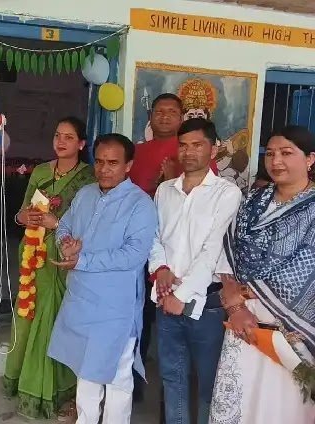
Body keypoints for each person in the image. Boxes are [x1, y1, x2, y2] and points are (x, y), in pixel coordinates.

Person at [47, 133, 158, 424]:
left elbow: (134, 255)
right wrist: (66, 242)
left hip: (115, 307)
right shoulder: (86, 194)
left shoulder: (140, 204)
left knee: (117, 376)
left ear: (128, 165)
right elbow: (64, 226)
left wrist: (82, 260)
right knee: (86, 370)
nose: (104, 169)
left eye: (112, 163)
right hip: (81, 299)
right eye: (99, 162)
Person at [209, 125, 315, 424]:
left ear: (310, 159)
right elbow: (228, 253)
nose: (276, 161)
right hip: (243, 323)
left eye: (286, 153)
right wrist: (235, 306)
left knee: (281, 405)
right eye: (270, 154)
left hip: (292, 328)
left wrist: (244, 295)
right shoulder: (253, 202)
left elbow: (306, 268)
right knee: (242, 398)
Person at [149, 118, 242, 424]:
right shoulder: (165, 190)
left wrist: (182, 295)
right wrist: (160, 269)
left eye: (197, 145)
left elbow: (213, 250)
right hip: (166, 298)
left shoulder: (227, 193)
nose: (188, 152)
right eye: (183, 145)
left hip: (207, 303)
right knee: (172, 378)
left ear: (213, 149)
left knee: (208, 383)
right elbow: (154, 236)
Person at [129, 93, 220, 402]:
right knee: (140, 320)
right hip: (147, 254)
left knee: (184, 352)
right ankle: (136, 382)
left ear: (181, 117)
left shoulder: (200, 163)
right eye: (159, 111)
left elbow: (200, 215)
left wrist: (171, 179)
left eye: (171, 112)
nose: (165, 116)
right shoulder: (138, 152)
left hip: (187, 270)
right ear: (150, 117)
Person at [3, 116, 96, 420]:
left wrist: (57, 224)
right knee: (29, 316)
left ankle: (57, 390)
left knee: (56, 321)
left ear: (81, 144)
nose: (61, 141)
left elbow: (90, 226)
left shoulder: (89, 179)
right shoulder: (42, 171)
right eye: (58, 135)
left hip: (64, 258)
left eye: (69, 137)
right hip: (34, 256)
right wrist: (22, 218)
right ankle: (23, 380)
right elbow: (22, 211)